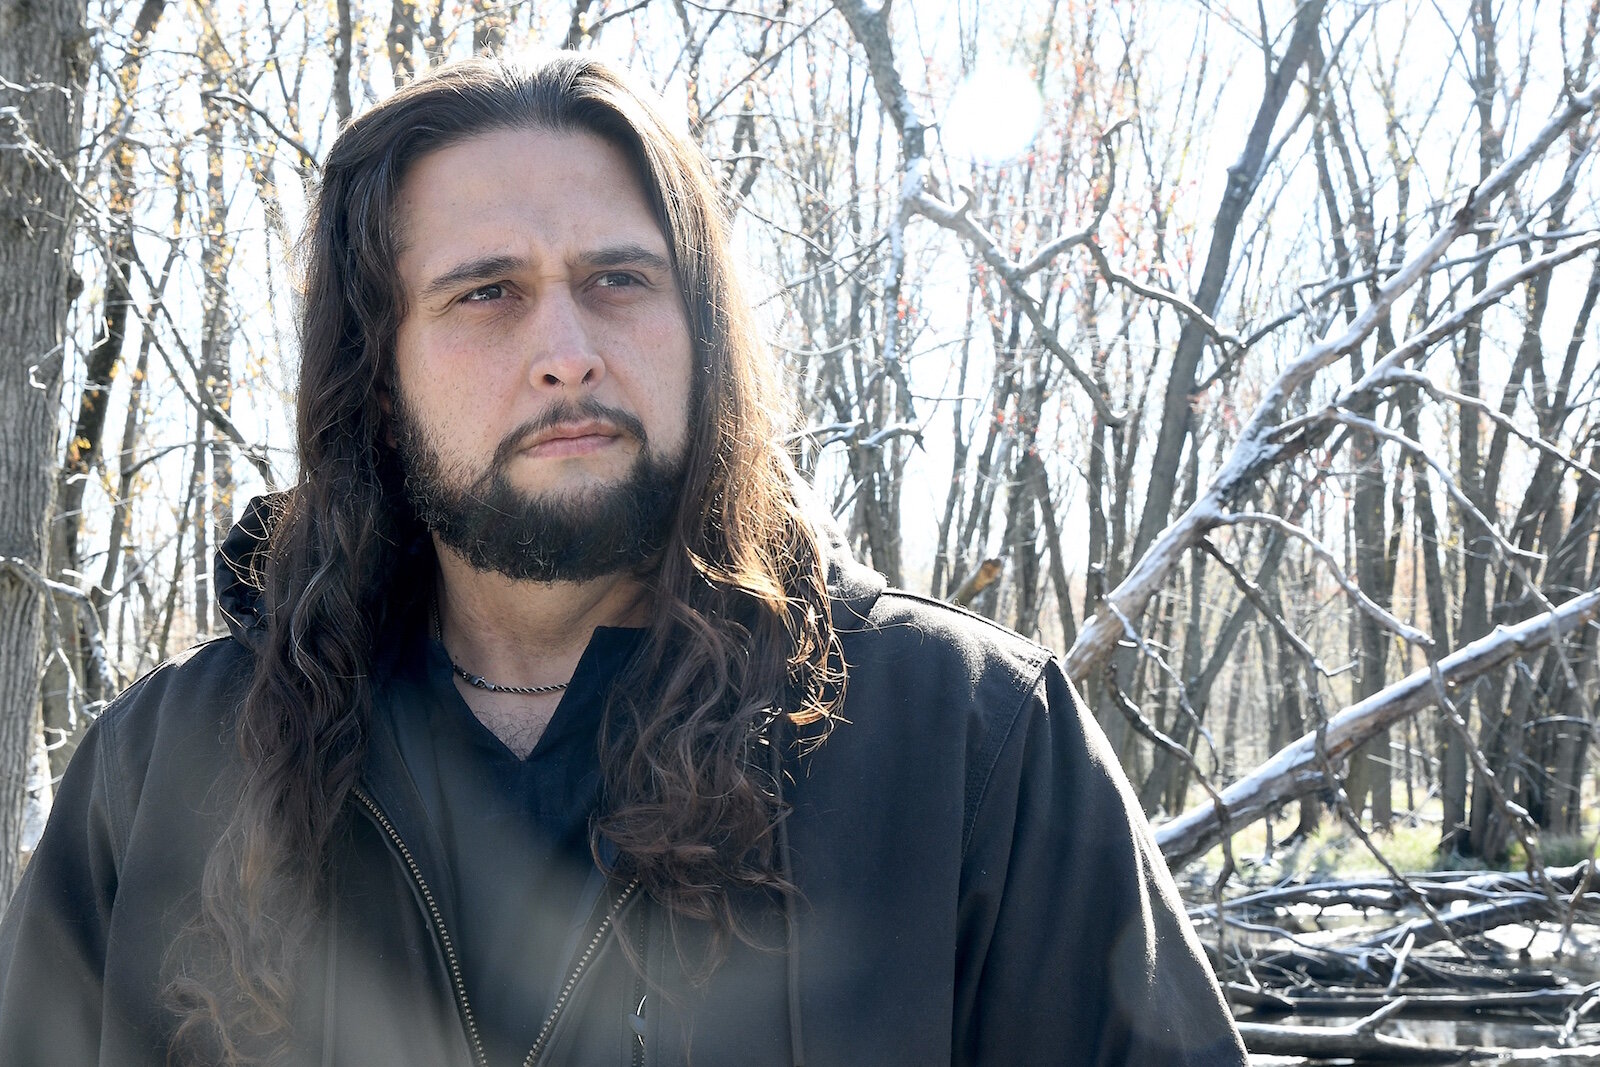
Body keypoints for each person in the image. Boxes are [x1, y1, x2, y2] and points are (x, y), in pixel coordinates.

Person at [0, 54, 1246, 1067]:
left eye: (618, 280)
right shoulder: (164, 772)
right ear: (376, 379)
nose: (566, 348)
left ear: (699, 333)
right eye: (487, 292)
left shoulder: (964, 741)